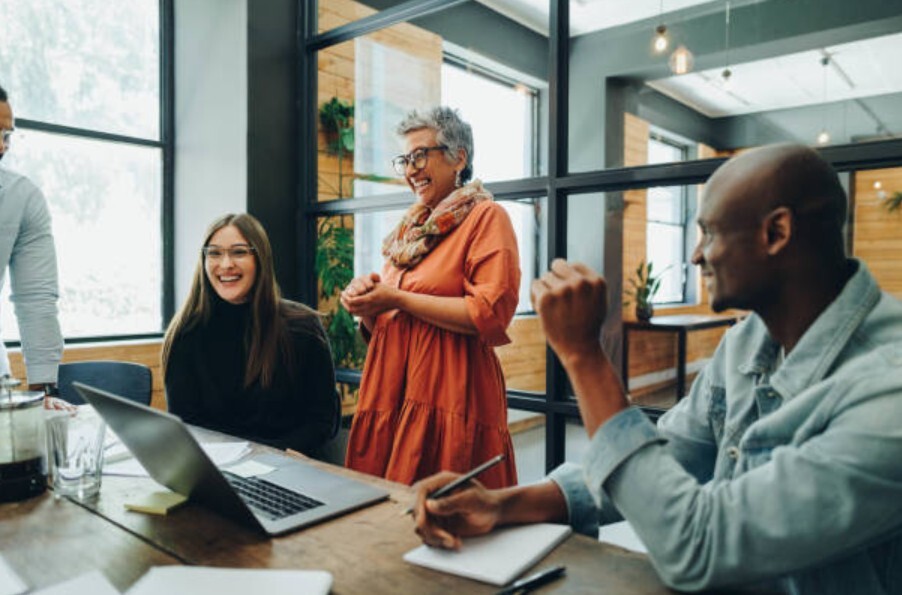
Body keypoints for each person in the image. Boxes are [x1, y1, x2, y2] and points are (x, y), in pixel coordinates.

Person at [411, 144, 902, 594]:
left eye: (708, 232)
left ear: (777, 233)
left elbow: (699, 545)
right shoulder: (748, 343)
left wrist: (583, 356)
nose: (694, 256)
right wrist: (503, 505)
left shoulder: (888, 393)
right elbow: (665, 459)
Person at [341, 106, 520, 488]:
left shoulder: (487, 218)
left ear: (459, 158)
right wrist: (368, 305)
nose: (410, 169)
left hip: (450, 393)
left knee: (449, 512)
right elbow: (387, 323)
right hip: (392, 389)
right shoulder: (409, 231)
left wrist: (397, 299)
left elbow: (488, 313)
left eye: (421, 155)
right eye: (405, 159)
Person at [162, 213, 339, 457]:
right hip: (216, 468)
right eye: (214, 253)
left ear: (260, 259)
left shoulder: (303, 327)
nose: (225, 264)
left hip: (286, 466)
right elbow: (187, 424)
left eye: (239, 252)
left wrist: (272, 455)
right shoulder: (186, 331)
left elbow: (322, 421)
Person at [0, 83, 64, 402]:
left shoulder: (21, 197)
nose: (2, 147)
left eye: (6, 135)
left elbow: (35, 297)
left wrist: (42, 390)